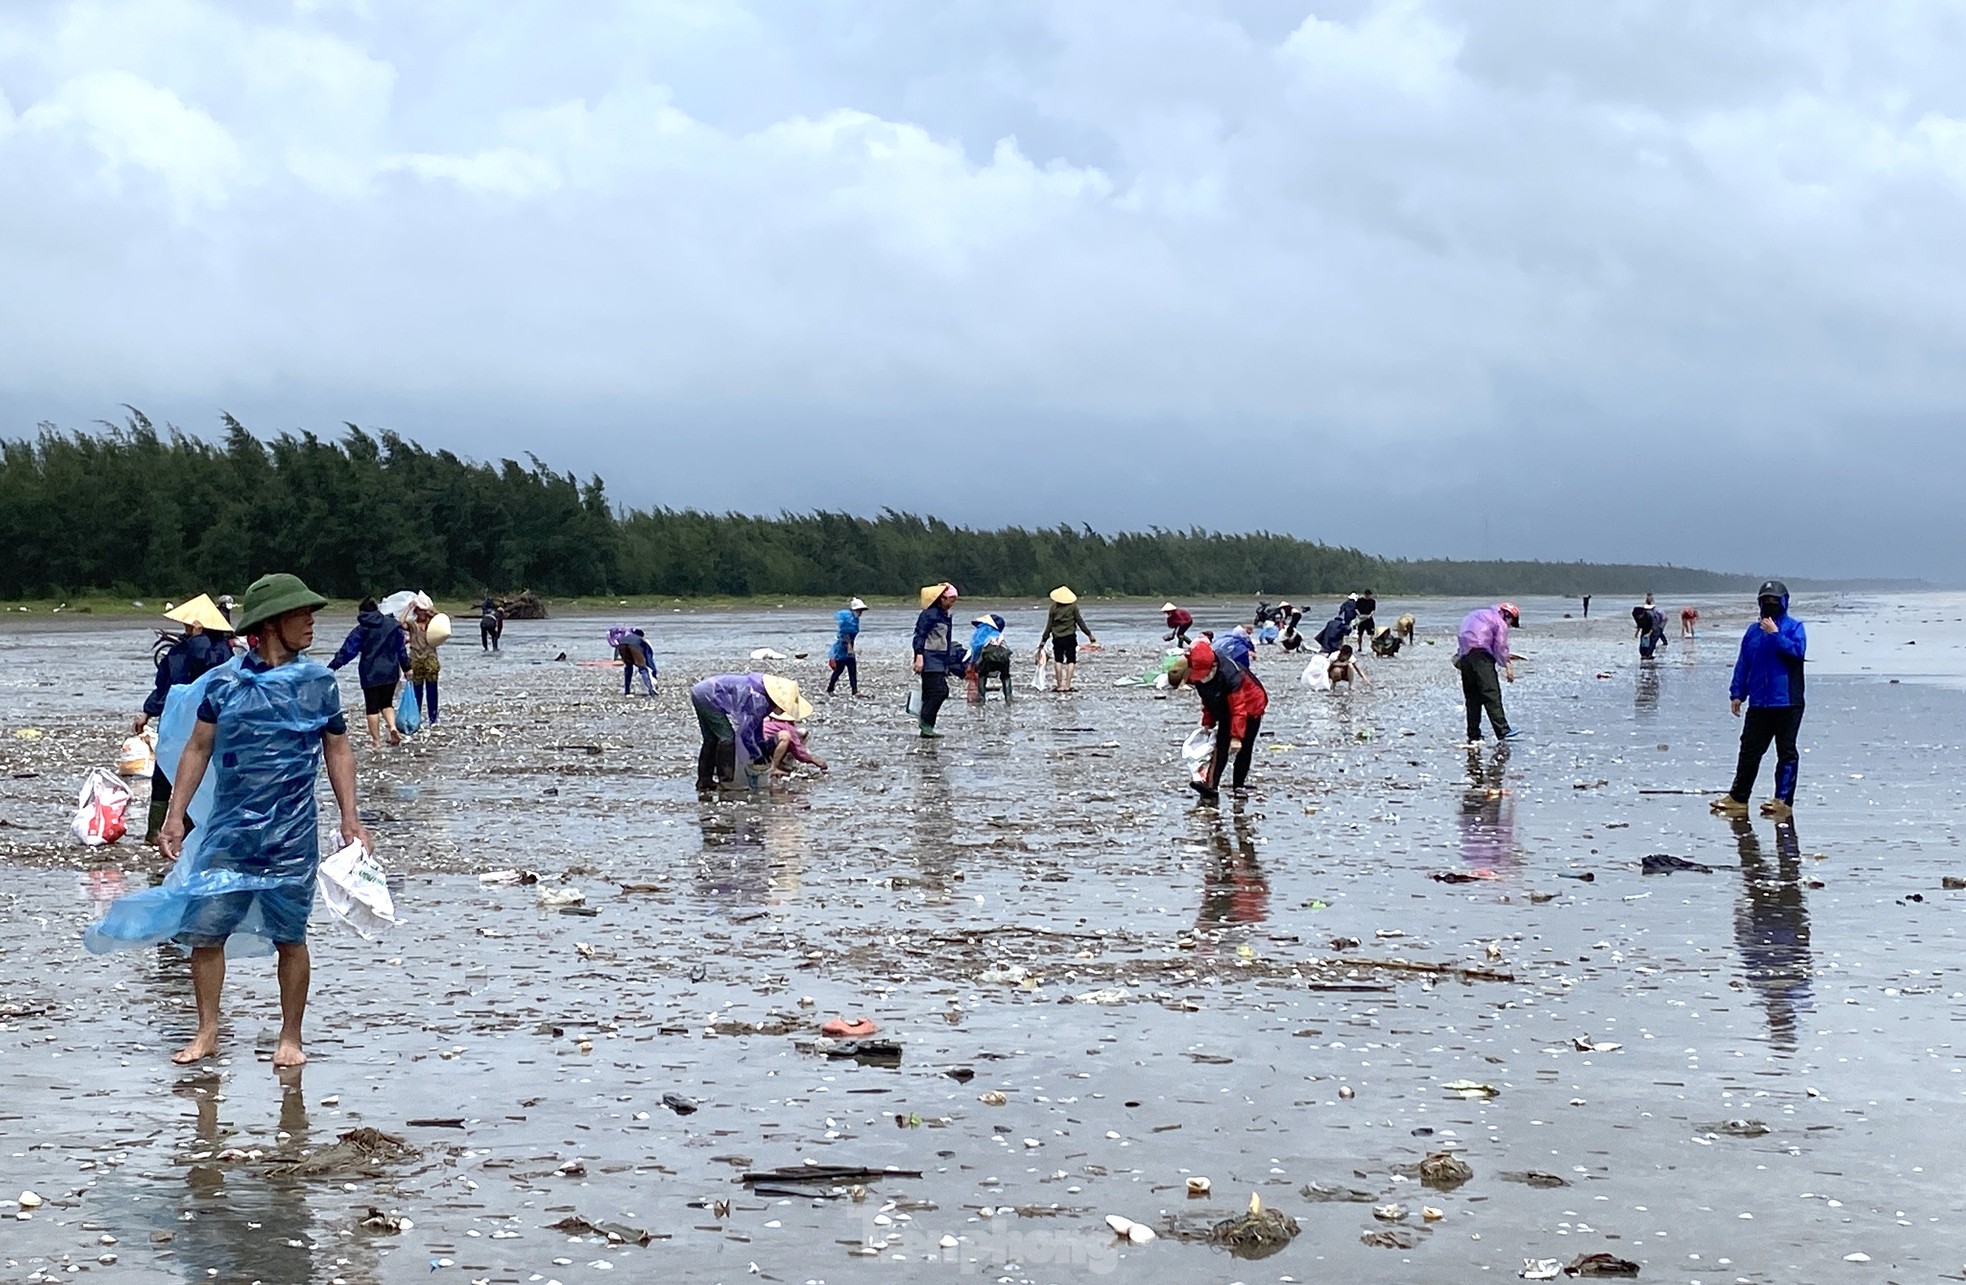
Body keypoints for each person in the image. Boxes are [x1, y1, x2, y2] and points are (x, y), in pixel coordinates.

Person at [156, 573, 369, 1066]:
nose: (312, 622)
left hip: (292, 831)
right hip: (230, 831)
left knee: (290, 936)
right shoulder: (226, 684)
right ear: (272, 624)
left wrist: (350, 817)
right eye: (302, 614)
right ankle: (207, 1031)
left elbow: (337, 747)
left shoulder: (318, 683)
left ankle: (290, 1037)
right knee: (206, 932)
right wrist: (175, 816)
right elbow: (198, 746)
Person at [134, 595, 236, 844]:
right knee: (163, 773)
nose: (187, 628)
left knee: (197, 773)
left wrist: (199, 639)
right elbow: (164, 686)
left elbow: (213, 668)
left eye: (192, 625)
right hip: (174, 719)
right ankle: (153, 831)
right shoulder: (176, 651)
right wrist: (147, 711)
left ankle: (192, 828)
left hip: (204, 720)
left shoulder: (220, 649)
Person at [1711, 581, 1807, 820]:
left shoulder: (1794, 628)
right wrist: (1737, 693)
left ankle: (1782, 800)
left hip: (1787, 701)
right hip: (1759, 703)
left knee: (1786, 752)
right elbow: (1744, 664)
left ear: (1784, 602)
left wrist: (1775, 635)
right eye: (1766, 601)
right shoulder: (1752, 632)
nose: (1770, 605)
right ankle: (1738, 798)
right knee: (1749, 751)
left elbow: (1797, 653)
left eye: (1774, 601)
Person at [1167, 637, 1267, 799]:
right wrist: (1208, 723)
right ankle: (1211, 786)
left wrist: (1236, 737)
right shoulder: (1196, 674)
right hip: (1226, 705)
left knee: (1244, 746)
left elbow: (1239, 709)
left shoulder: (1231, 675)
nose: (1200, 677)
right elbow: (1207, 700)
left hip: (1251, 704)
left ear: (1213, 665)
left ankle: (1238, 786)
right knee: (1220, 745)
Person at [691, 672, 810, 790]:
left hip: (701, 691)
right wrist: (756, 755)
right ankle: (726, 781)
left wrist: (762, 748)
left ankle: (704, 781)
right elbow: (745, 734)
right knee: (727, 737)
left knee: (711, 739)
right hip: (709, 696)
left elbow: (757, 728)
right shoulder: (760, 701)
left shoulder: (763, 699)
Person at [327, 597, 409, 751]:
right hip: (391, 671)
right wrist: (407, 667)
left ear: (362, 612)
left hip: (370, 672)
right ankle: (392, 728)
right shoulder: (393, 626)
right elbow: (401, 650)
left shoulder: (362, 629)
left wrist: (333, 666)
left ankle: (376, 742)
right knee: (387, 703)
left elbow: (349, 650)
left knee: (372, 708)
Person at [1455, 602, 1521, 743]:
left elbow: (1463, 635)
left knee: (1472, 696)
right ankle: (1503, 730)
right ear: (1507, 615)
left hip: (1466, 656)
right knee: (1491, 693)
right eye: (1511, 622)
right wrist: (1507, 665)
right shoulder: (1499, 622)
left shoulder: (1477, 614)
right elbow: (1500, 646)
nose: (1509, 625)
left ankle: (1473, 734)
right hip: (1481, 655)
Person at [912, 583, 964, 737]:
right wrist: (918, 656)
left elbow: (946, 641)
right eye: (950, 599)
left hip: (940, 659)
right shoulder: (929, 615)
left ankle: (927, 727)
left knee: (931, 692)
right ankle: (926, 724)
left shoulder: (944, 616)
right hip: (929, 657)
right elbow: (920, 635)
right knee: (939, 691)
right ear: (941, 598)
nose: (951, 603)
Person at [1038, 587, 1098, 692]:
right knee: (1071, 660)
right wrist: (1089, 635)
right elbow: (1080, 622)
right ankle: (1068, 685)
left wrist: (1043, 640)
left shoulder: (1053, 608)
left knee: (1058, 660)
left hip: (1057, 637)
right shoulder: (1073, 607)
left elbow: (1049, 625)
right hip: (1070, 636)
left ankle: (1059, 685)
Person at [404, 598, 442, 726]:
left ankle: (433, 719)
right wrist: (408, 608)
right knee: (417, 692)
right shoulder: (412, 624)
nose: (421, 613)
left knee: (432, 690)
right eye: (418, 610)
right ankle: (417, 717)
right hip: (415, 659)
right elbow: (400, 623)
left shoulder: (433, 623)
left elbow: (443, 620)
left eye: (423, 610)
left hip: (430, 659)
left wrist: (431, 609)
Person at [967, 613, 1014, 702]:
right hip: (1003, 655)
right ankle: (1009, 698)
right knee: (1005, 677)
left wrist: (972, 662)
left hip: (989, 654)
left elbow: (977, 646)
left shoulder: (983, 629)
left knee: (982, 675)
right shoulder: (998, 633)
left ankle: (981, 698)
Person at [763, 713, 829, 776]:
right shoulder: (787, 726)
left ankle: (775, 764)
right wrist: (814, 761)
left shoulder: (768, 722)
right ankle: (773, 768)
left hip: (758, 745)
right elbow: (798, 751)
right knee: (785, 737)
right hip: (764, 747)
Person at [827, 598, 867, 696]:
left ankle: (854, 690)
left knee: (852, 670)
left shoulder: (855, 620)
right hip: (842, 649)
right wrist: (849, 647)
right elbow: (845, 634)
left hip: (849, 647)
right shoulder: (848, 621)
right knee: (839, 670)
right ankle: (830, 688)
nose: (860, 612)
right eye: (859, 610)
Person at [616, 628, 657, 695]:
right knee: (643, 668)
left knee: (628, 667)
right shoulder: (642, 640)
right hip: (634, 646)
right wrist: (654, 671)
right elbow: (649, 658)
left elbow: (617, 650)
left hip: (621, 645)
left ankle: (627, 691)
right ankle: (651, 691)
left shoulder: (626, 637)